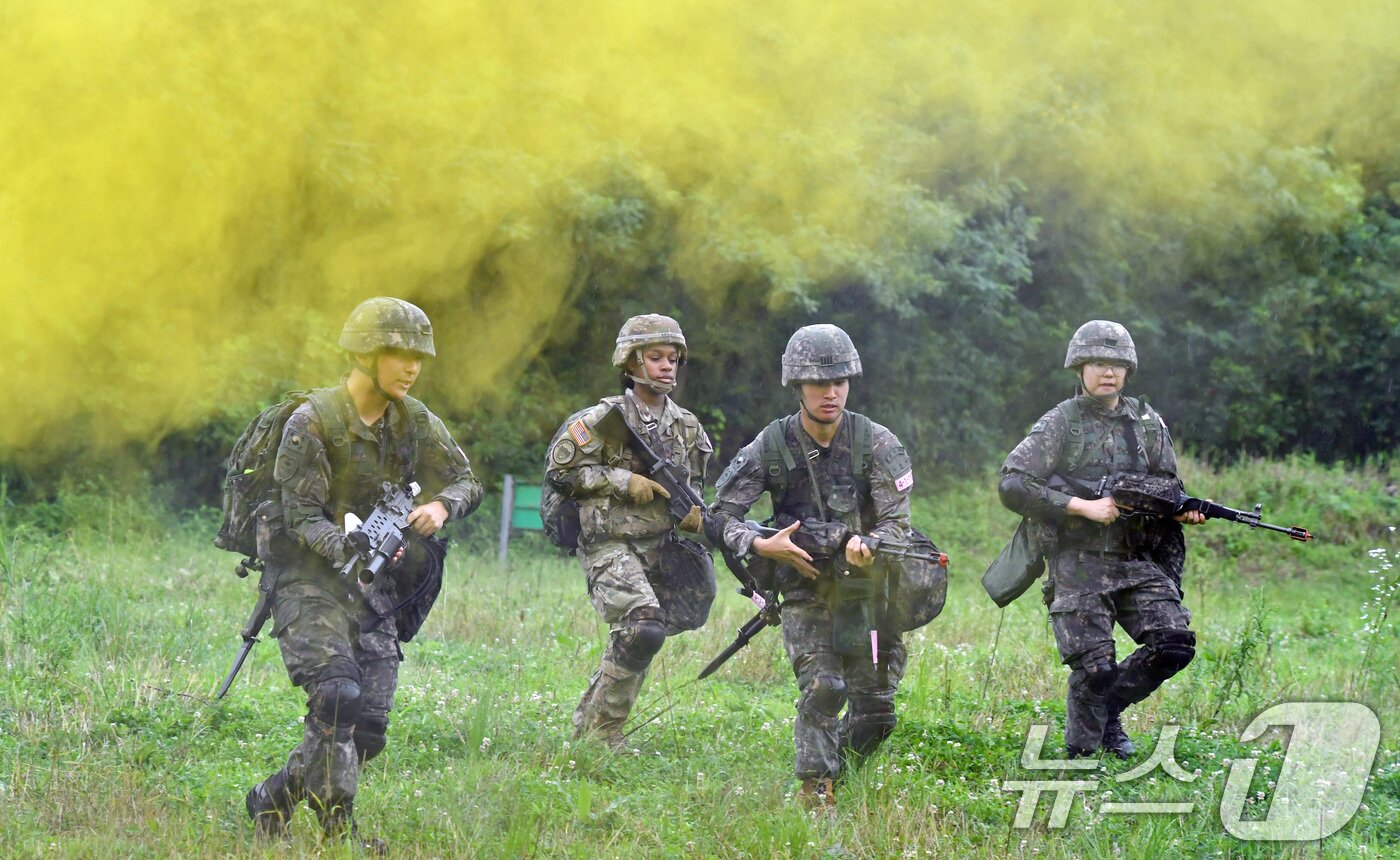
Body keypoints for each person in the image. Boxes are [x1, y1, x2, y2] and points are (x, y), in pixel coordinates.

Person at [244, 296, 483, 847]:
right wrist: (347, 549)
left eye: (419, 356)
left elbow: (465, 478)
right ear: (366, 354)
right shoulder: (313, 421)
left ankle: (273, 797)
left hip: (369, 583)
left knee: (367, 729)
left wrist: (441, 506)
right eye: (399, 354)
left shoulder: (413, 420)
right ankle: (338, 831)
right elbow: (299, 515)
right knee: (337, 696)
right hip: (307, 577)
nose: (413, 367)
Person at [710, 324, 919, 812]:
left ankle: (836, 771)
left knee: (877, 715)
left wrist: (868, 544)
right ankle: (815, 792)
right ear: (796, 386)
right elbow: (720, 514)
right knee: (826, 688)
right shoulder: (773, 444)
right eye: (818, 383)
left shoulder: (876, 442)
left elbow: (898, 526)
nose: (830, 392)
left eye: (840, 381)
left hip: (867, 595)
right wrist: (761, 546)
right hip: (804, 590)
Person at [998, 320, 1203, 758]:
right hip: (1078, 560)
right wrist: (1080, 506)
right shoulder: (1061, 423)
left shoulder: (1148, 423)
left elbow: (1166, 487)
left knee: (1174, 644)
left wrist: (1182, 508)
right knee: (1095, 669)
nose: (1107, 372)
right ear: (1079, 368)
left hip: (1135, 559)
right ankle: (1084, 754)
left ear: (1127, 370)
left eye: (1115, 364)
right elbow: (1013, 484)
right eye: (1097, 363)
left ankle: (1107, 711)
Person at [546, 314, 714, 750]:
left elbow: (692, 488)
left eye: (673, 359)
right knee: (643, 627)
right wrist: (623, 481)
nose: (667, 367)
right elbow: (561, 472)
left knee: (646, 632)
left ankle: (591, 722)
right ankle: (602, 735)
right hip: (608, 541)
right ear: (630, 361)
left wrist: (694, 515)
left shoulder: (689, 427)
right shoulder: (603, 419)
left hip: (662, 544)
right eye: (655, 357)